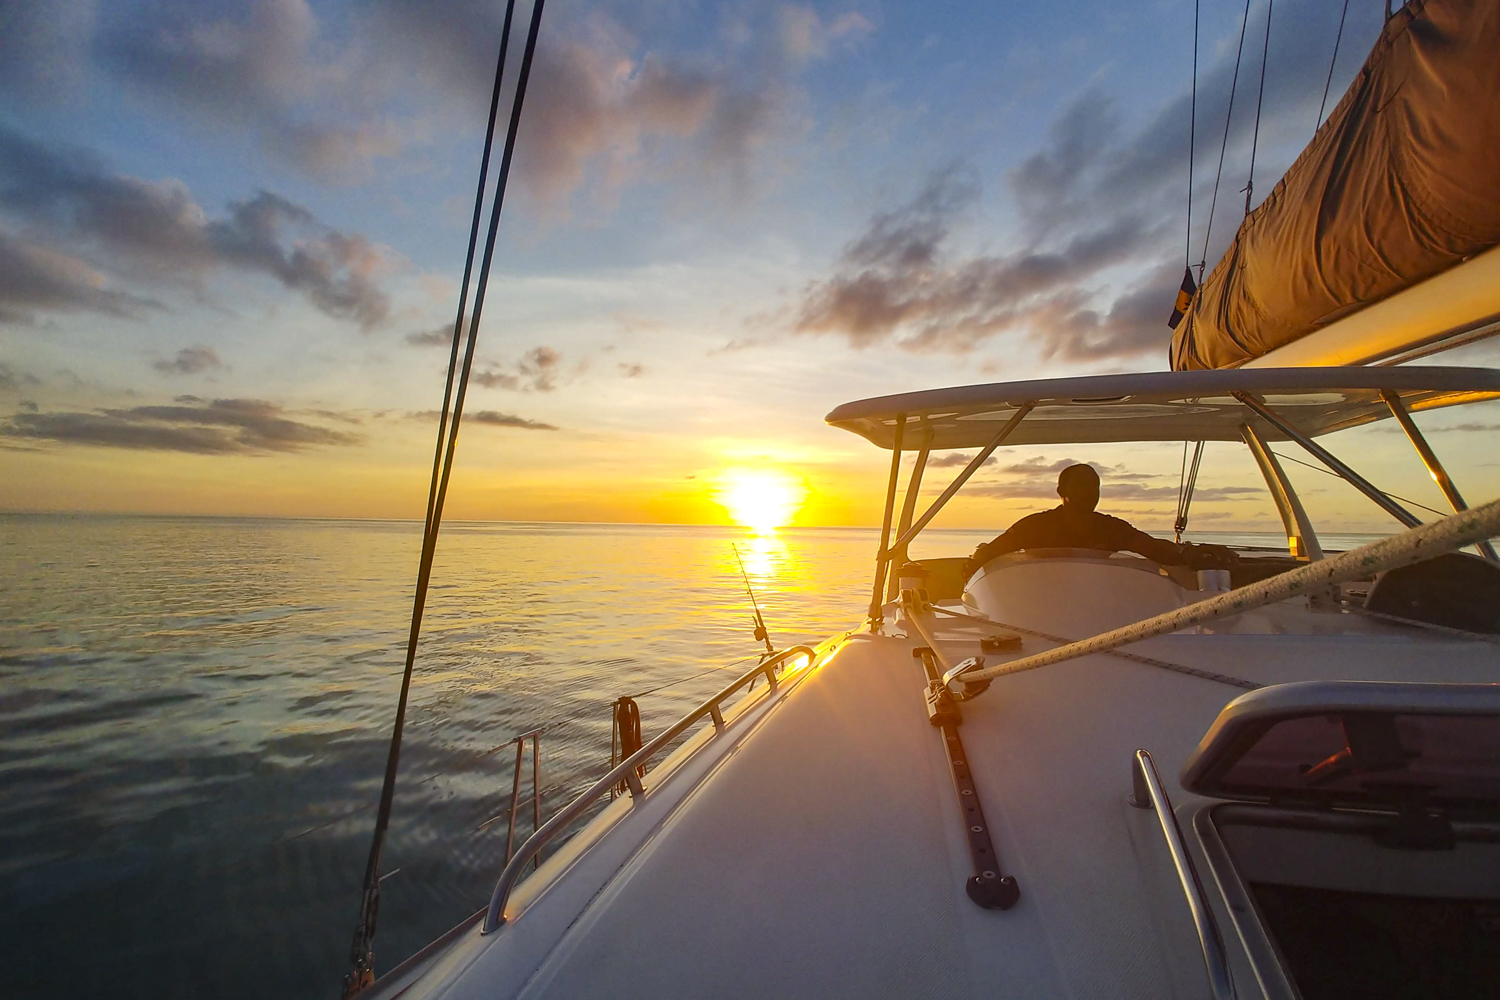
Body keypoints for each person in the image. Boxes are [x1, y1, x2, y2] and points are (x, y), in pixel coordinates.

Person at [965, 464, 1235, 576]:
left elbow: (1151, 547)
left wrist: (1189, 553)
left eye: (1093, 489)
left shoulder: (1111, 528)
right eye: (1080, 489)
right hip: (1042, 608)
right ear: (1061, 493)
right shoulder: (1034, 526)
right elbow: (990, 554)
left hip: (1100, 608)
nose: (1088, 495)